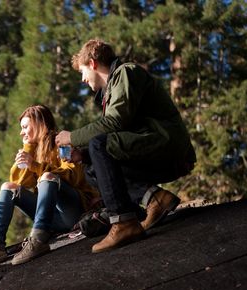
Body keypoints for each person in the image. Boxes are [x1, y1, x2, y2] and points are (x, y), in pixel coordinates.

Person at [55, 39, 196, 253]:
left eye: (82, 72)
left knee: (98, 145)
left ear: (93, 63)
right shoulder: (111, 90)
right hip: (149, 148)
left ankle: (123, 222)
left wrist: (72, 137)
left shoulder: (126, 73)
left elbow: (115, 123)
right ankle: (154, 199)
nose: (83, 79)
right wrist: (81, 155)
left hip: (167, 145)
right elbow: (117, 136)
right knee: (91, 166)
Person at [0, 105, 99, 271]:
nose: (21, 132)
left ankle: (38, 240)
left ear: (40, 124)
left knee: (47, 177)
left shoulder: (62, 143)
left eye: (25, 127)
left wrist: (36, 165)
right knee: (8, 186)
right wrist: (29, 149)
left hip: (72, 211)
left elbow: (73, 176)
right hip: (50, 218)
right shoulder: (32, 150)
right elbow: (19, 182)